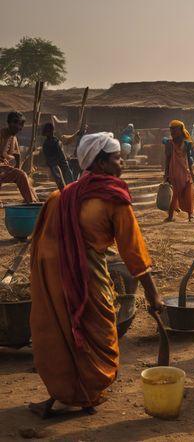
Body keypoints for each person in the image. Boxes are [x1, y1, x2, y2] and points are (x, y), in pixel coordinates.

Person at [29, 132, 164, 419]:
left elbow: (42, 245)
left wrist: (48, 281)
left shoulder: (61, 197)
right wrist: (153, 292)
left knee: (62, 331)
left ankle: (69, 392)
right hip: (88, 280)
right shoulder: (114, 199)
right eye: (117, 158)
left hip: (54, 279)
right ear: (101, 163)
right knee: (97, 331)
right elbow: (133, 250)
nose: (122, 162)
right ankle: (82, 393)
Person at [0, 111, 38, 203]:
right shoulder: (1, 134)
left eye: (20, 124)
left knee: (24, 177)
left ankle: (35, 201)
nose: (18, 127)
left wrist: (17, 168)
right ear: (9, 122)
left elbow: (17, 155)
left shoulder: (13, 138)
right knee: (20, 175)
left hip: (4, 168)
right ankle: (31, 202)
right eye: (15, 122)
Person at [163, 120, 194, 222]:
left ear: (181, 131)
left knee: (188, 194)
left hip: (185, 172)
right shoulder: (169, 144)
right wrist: (166, 174)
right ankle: (170, 216)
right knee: (174, 195)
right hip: (174, 173)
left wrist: (192, 172)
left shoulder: (187, 144)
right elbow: (167, 160)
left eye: (174, 130)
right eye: (171, 130)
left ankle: (190, 216)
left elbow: (189, 160)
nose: (172, 133)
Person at [41, 122, 80, 189]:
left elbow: (66, 141)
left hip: (63, 163)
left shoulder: (56, 139)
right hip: (55, 165)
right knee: (62, 183)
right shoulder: (47, 143)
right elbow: (50, 158)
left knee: (70, 182)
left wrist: (77, 134)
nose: (49, 132)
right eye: (48, 131)